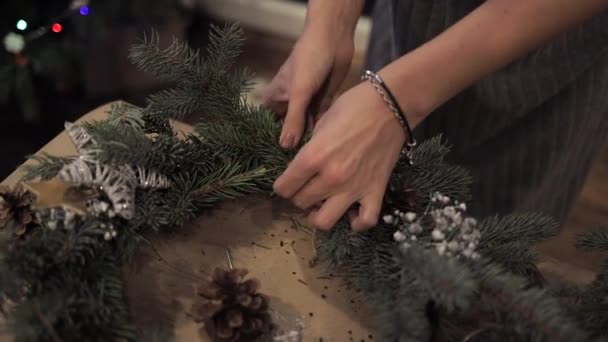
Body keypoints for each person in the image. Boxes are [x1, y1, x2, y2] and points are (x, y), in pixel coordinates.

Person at [261, 0, 608, 232]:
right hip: (414, 18)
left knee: (488, 242)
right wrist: (330, 23)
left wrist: (397, 98)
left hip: (536, 51)